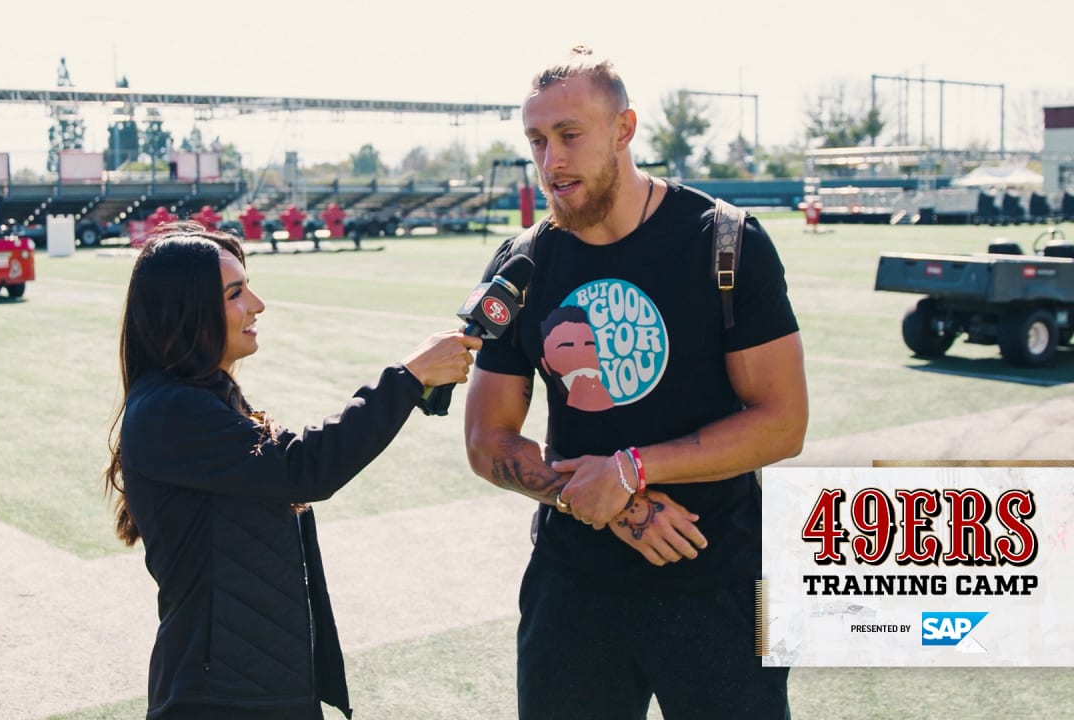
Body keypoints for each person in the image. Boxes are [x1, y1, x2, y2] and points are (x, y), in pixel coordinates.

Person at [463, 46, 808, 720]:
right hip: (572, 592)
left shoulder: (725, 243)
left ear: (624, 129)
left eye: (569, 135)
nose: (550, 161)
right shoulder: (523, 262)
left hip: (719, 584)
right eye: (536, 141)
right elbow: (487, 438)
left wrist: (632, 469)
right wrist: (607, 502)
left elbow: (782, 422)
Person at [103, 221, 481, 720]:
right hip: (219, 698)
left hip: (255, 688)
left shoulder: (203, 399)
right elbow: (304, 468)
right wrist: (407, 379)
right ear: (188, 312)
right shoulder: (170, 411)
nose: (257, 304)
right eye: (236, 292)